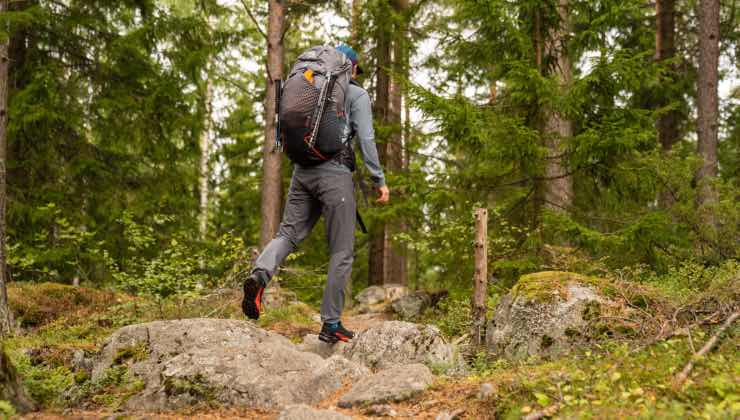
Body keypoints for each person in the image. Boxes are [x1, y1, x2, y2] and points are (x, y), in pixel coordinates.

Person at [242, 44, 389, 343]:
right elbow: (367, 139)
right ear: (352, 67)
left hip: (302, 170)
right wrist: (379, 180)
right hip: (335, 175)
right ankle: (331, 323)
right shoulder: (357, 94)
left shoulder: (308, 82)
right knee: (341, 250)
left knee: (287, 234)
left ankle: (260, 275)